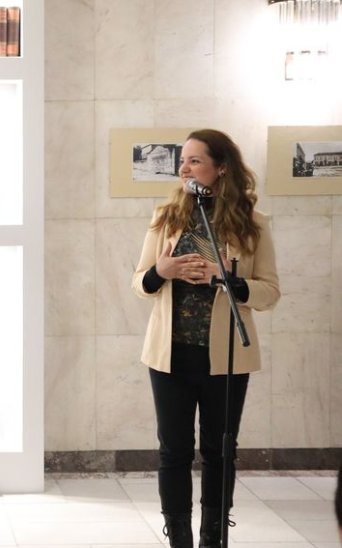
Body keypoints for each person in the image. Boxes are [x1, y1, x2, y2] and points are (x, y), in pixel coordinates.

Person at [132, 129, 280, 548]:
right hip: (170, 356)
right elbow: (139, 282)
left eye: (195, 161)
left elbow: (270, 292)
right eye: (183, 161)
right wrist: (162, 271)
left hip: (226, 357)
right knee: (174, 451)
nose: (184, 168)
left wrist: (227, 278)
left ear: (222, 168)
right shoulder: (166, 217)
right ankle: (178, 536)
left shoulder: (253, 225)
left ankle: (212, 537)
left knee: (220, 451)